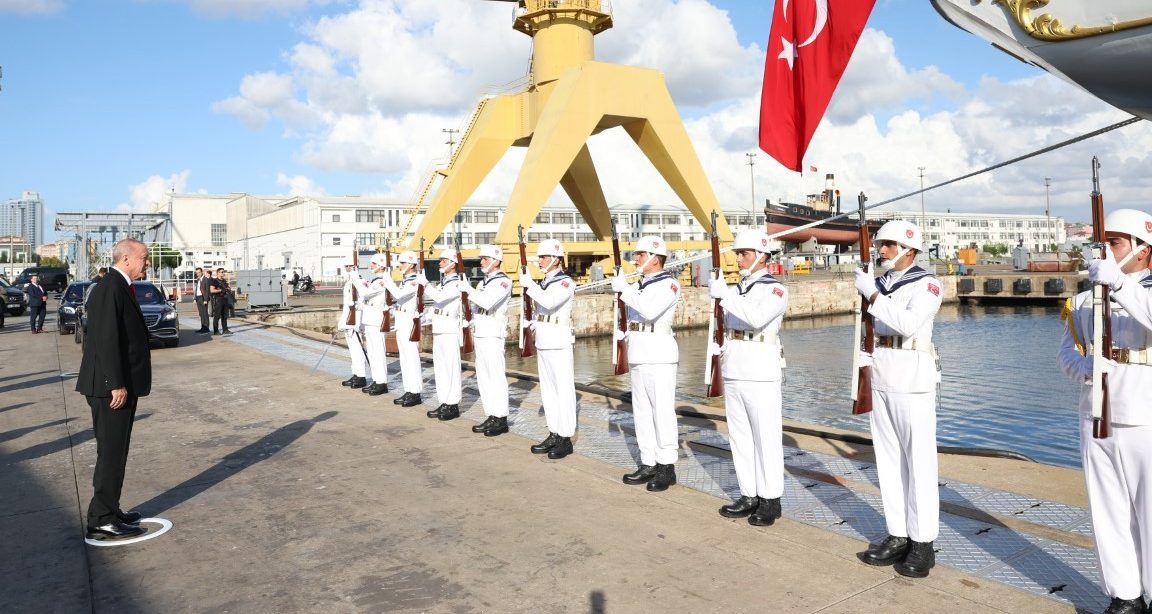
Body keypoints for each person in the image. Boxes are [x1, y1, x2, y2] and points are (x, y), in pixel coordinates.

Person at [1059, 209, 1152, 614]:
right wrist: (1084, 368)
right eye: (1102, 244)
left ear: (1143, 249)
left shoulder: (1142, 291)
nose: (1105, 252)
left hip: (1145, 414)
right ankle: (1124, 594)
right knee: (1106, 509)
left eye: (1114, 243)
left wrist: (1119, 285)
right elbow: (1066, 352)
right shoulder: (1083, 297)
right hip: (1096, 411)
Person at [852, 220, 943, 578]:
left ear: (909, 249)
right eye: (879, 244)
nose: (881, 250)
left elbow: (907, 323)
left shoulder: (928, 284)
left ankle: (922, 544)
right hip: (883, 373)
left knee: (918, 463)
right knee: (888, 461)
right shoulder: (880, 282)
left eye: (888, 245)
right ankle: (898, 533)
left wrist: (872, 295)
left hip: (912, 376)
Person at [709, 229, 789, 525]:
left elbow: (756, 318)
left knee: (765, 437)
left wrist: (724, 294)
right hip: (735, 367)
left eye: (744, 253)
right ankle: (749, 493)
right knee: (740, 437)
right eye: (738, 253)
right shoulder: (737, 289)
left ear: (762, 256)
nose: (739, 258)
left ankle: (770, 499)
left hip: (760, 370)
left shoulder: (775, 289)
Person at [76, 238, 152, 540]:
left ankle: (111, 508)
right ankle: (101, 519)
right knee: (110, 451)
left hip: (119, 384)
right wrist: (115, 383)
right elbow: (106, 339)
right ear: (127, 259)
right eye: (144, 258)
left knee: (116, 449)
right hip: (110, 388)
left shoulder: (119, 286)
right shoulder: (110, 288)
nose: (147, 263)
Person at [612, 235, 681, 491]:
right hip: (640, 351)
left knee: (661, 411)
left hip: (659, 353)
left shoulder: (669, 284)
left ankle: (666, 466)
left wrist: (624, 289)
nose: (636, 258)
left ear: (655, 258)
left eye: (641, 254)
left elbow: (650, 311)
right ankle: (648, 461)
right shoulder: (640, 284)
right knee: (641, 411)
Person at [521, 239, 577, 460]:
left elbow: (550, 302)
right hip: (544, 340)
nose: (540, 261)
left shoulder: (565, 283)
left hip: (558, 341)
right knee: (549, 391)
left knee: (563, 390)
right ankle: (554, 431)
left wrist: (529, 285)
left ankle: (565, 437)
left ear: (555, 258)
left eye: (543, 257)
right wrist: (533, 322)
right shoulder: (544, 282)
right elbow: (541, 308)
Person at [460, 245, 513, 437]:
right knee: (483, 377)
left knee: (496, 377)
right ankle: (491, 414)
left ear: (496, 261)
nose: (481, 262)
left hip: (493, 334)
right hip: (481, 332)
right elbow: (477, 306)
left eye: (485, 258)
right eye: (481, 258)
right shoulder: (484, 282)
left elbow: (487, 302)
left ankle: (501, 418)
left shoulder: (503, 282)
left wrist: (467, 289)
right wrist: (471, 318)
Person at [417, 248, 464, 420]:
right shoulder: (444, 282)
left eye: (443, 260)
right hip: (439, 328)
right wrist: (422, 318)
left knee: (451, 369)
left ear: (453, 263)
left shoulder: (457, 282)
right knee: (441, 369)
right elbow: (437, 306)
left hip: (450, 329)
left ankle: (453, 404)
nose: (440, 263)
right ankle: (444, 401)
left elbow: (440, 298)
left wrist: (426, 284)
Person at [383, 250, 424, 407]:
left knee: (412, 359)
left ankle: (415, 392)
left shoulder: (414, 281)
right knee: (405, 359)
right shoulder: (406, 281)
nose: (400, 266)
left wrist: (388, 282)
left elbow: (399, 295)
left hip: (409, 324)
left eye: (403, 263)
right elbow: (400, 302)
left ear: (412, 265)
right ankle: (409, 390)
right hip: (402, 323)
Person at [349, 254, 391, 396]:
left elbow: (365, 292)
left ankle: (382, 383)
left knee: (378, 353)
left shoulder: (382, 282)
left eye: (373, 263)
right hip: (370, 321)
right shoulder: (376, 281)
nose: (371, 266)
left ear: (381, 265)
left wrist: (355, 277)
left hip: (377, 322)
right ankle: (376, 380)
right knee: (372, 353)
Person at [338, 258, 368, 390]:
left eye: (349, 266)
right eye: (346, 266)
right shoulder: (349, 283)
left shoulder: (360, 282)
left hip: (356, 321)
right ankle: (355, 374)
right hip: (348, 320)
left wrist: (357, 322)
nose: (347, 268)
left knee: (357, 349)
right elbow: (347, 305)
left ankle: (361, 376)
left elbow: (362, 302)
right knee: (352, 350)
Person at [210, 268, 233, 335]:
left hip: (225, 299)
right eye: (221, 272)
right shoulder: (214, 281)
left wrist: (228, 290)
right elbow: (211, 290)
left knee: (225, 316)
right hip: (218, 300)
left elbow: (227, 288)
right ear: (218, 273)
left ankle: (225, 330)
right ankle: (216, 331)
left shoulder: (224, 281)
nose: (223, 273)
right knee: (217, 316)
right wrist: (220, 290)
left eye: (223, 272)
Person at [195, 267, 211, 334]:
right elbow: (197, 289)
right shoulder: (198, 280)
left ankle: (206, 328)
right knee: (201, 314)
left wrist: (205, 299)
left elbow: (207, 290)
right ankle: (203, 327)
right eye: (196, 273)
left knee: (205, 313)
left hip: (203, 298)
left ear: (202, 272)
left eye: (199, 272)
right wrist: (195, 298)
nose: (198, 274)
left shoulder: (205, 279)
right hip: (198, 298)